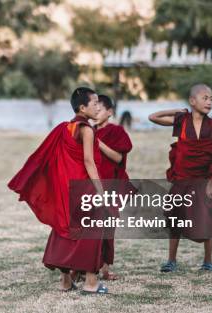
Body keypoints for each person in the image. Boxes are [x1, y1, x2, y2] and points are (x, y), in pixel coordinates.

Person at [8, 87, 108, 294]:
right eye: (95, 103)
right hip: (84, 187)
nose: (98, 106)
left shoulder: (65, 128)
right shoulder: (87, 129)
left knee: (64, 229)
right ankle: (90, 283)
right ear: (82, 107)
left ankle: (65, 281)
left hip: (66, 187)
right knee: (92, 231)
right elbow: (89, 162)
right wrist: (101, 191)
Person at [148, 84, 212, 273]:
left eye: (211, 99)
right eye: (205, 98)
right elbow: (153, 117)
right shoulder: (181, 121)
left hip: (204, 179)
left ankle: (207, 261)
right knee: (175, 217)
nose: (209, 102)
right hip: (182, 179)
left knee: (208, 218)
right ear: (192, 101)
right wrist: (178, 111)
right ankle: (171, 260)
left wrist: (211, 184)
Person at [94, 94, 134, 280]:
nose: (96, 112)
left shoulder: (116, 131)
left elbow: (118, 158)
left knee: (107, 228)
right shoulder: (89, 130)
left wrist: (98, 143)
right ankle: (82, 266)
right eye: (94, 108)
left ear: (109, 112)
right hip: (91, 185)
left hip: (110, 185)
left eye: (99, 109)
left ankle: (104, 269)